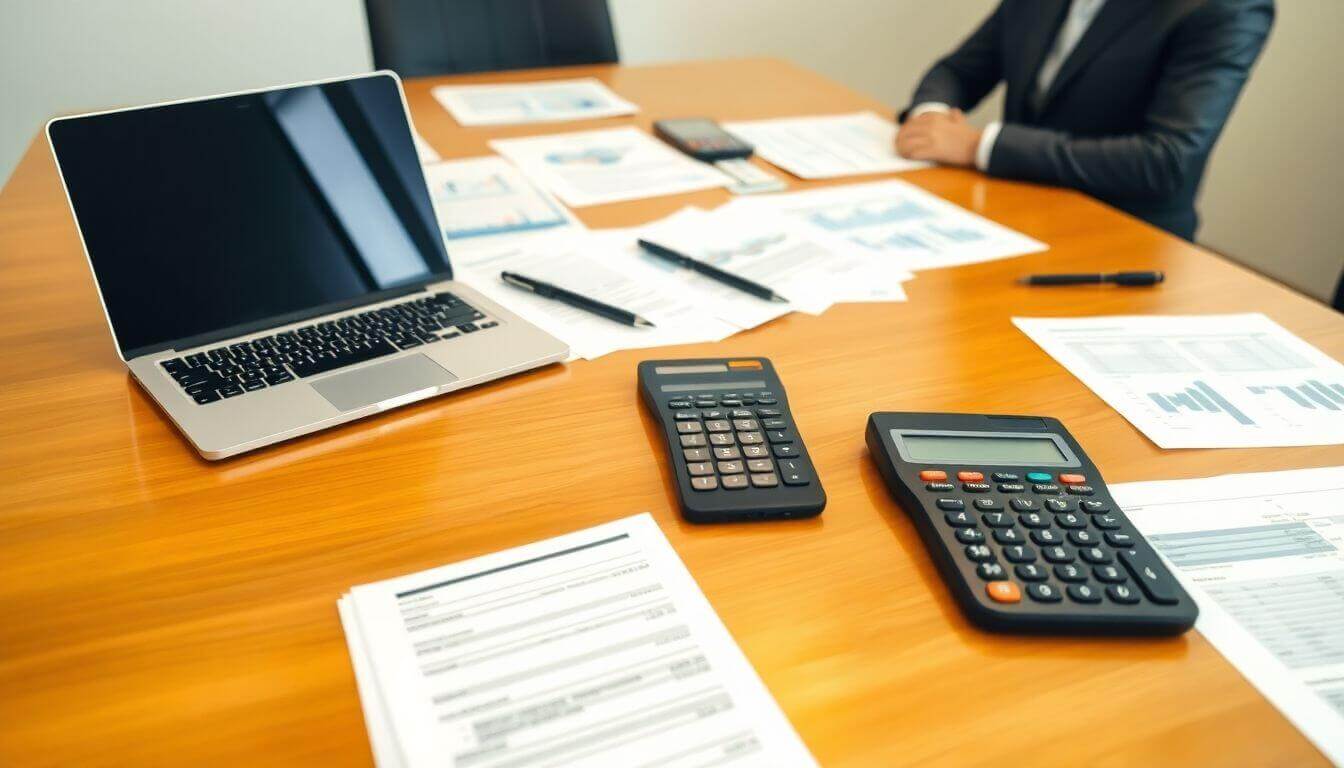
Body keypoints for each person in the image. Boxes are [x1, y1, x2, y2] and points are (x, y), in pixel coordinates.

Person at [896, 0, 1274, 240]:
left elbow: (1167, 160)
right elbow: (959, 72)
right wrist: (930, 121)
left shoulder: (1228, 8)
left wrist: (980, 146)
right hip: (1011, 211)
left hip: (1123, 240)